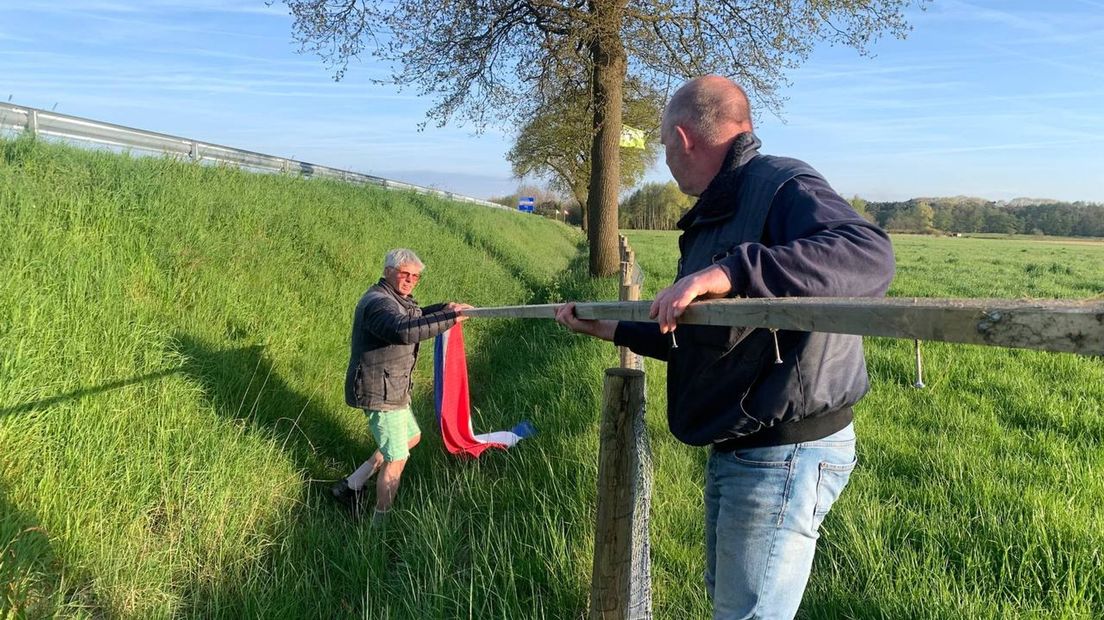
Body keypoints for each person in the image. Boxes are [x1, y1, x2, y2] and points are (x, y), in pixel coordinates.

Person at [555, 75, 895, 619]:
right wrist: (615, 329)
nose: (666, 160)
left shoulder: (781, 184)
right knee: (733, 605)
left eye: (665, 147)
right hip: (743, 442)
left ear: (684, 138)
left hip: (784, 448)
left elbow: (868, 257)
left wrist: (732, 269)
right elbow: (709, 335)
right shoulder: (722, 208)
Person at [333, 248, 472, 523]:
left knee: (411, 438)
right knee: (397, 458)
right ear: (388, 272)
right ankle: (379, 526)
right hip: (379, 391)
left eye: (415, 277)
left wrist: (446, 309)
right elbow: (403, 330)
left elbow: (415, 315)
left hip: (393, 388)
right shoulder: (378, 303)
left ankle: (351, 486)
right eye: (404, 274)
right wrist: (448, 319)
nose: (409, 280)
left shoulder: (396, 299)